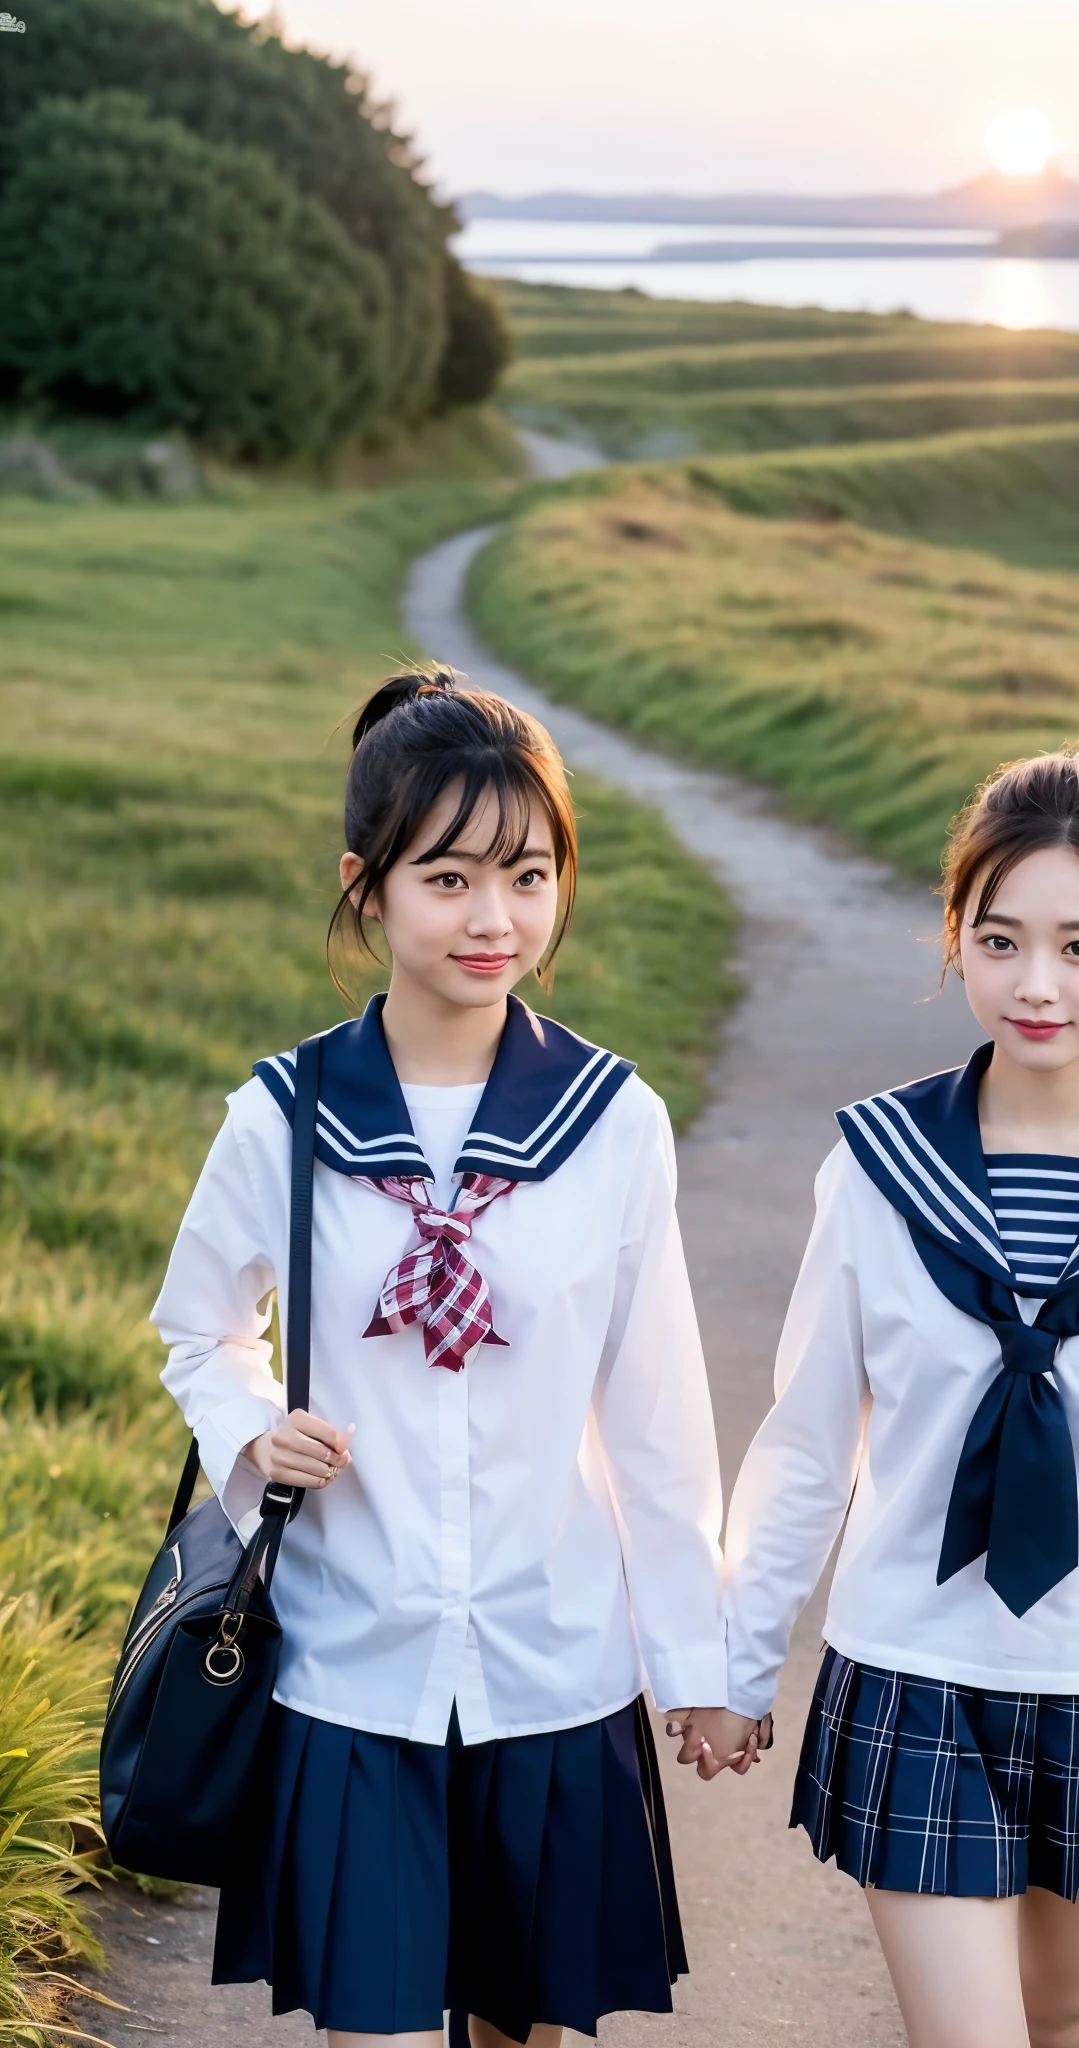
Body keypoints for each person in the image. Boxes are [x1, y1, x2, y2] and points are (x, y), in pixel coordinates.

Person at [680, 748, 1079, 2048]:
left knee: (1067, 2026)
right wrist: (736, 1666)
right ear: (955, 932)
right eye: (1002, 937)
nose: (1036, 983)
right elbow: (806, 1442)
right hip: (916, 1671)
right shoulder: (877, 1169)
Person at [152, 667, 731, 2048]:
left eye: (527, 876)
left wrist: (699, 1660)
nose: (494, 919)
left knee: (516, 2033)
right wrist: (249, 1430)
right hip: (353, 1663)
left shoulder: (611, 1124)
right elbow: (198, 1324)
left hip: (556, 1665)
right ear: (368, 886)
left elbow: (656, 1414)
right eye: (450, 877)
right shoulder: (281, 1118)